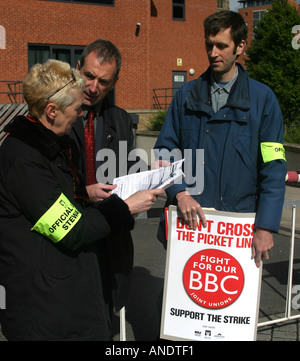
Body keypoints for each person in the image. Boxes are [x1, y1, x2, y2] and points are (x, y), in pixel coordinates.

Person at [0, 59, 163, 341]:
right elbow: (71, 229)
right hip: (42, 307)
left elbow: (45, 200)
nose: (79, 115)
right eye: (75, 109)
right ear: (52, 111)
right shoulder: (24, 158)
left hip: (56, 294)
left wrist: (85, 192)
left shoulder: (46, 145)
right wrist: (125, 207)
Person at [154, 10, 287, 268]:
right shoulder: (186, 96)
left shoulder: (263, 100)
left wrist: (266, 226)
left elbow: (273, 168)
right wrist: (179, 193)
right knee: (180, 303)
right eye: (209, 45)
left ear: (240, 47)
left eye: (221, 46)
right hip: (188, 227)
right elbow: (165, 153)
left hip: (238, 231)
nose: (213, 53)